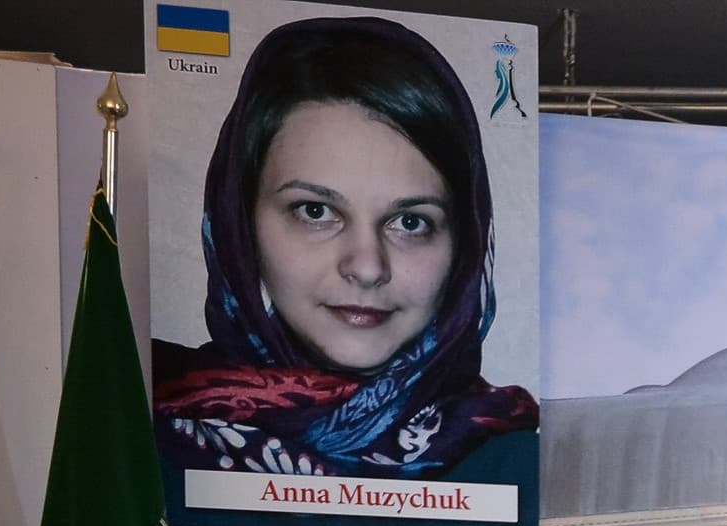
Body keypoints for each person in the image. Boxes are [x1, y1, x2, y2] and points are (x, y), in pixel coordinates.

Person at [151, 16, 538, 496]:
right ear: (239, 224)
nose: (367, 267)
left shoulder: (517, 467)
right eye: (316, 211)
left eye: (411, 222)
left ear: (462, 244)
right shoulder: (132, 440)